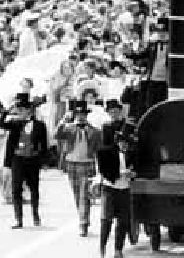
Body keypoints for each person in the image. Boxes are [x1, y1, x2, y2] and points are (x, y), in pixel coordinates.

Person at [55, 99, 102, 236]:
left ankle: (83, 222)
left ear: (86, 115)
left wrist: (99, 169)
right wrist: (64, 119)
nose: (80, 116)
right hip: (71, 163)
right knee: (76, 194)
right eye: (78, 114)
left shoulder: (94, 131)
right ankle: (82, 217)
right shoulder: (69, 127)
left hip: (87, 164)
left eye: (83, 114)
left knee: (84, 195)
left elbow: (99, 150)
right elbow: (57, 134)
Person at [1, 93, 48, 229]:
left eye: (22, 109)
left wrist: (44, 160)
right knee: (16, 189)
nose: (19, 111)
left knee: (34, 188)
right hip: (17, 159)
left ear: (29, 110)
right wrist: (7, 111)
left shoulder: (39, 125)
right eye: (18, 109)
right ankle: (18, 219)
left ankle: (35, 214)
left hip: (32, 159)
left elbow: (43, 144)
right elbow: (1, 123)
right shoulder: (14, 123)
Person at [96, 125, 134, 258]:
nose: (125, 145)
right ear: (117, 141)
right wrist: (123, 173)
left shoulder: (131, 153)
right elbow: (105, 171)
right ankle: (102, 247)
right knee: (106, 220)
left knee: (123, 221)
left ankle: (118, 249)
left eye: (127, 143)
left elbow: (137, 167)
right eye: (122, 142)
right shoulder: (106, 152)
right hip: (110, 189)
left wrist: (133, 174)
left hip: (124, 190)